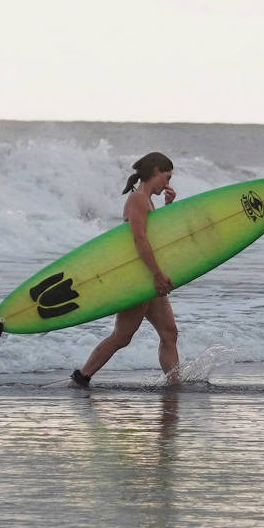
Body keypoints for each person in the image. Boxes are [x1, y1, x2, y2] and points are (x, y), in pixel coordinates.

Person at [70, 151, 181, 388]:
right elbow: (139, 239)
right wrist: (157, 274)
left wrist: (168, 208)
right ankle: (81, 377)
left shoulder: (147, 200)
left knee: (169, 333)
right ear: (155, 172)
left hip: (148, 278)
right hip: (139, 277)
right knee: (122, 337)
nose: (168, 184)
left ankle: (175, 384)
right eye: (167, 177)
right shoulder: (138, 200)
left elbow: (155, 234)